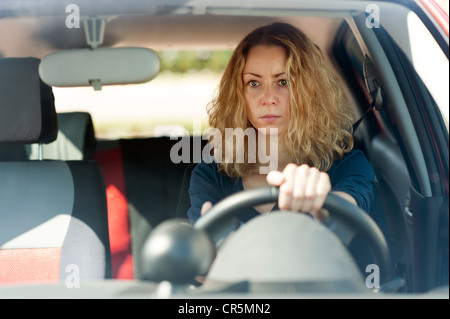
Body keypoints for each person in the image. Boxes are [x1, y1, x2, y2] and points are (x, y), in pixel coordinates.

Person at [187, 22, 375, 224]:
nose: (268, 98)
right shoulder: (212, 174)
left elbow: (349, 205)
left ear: (309, 92)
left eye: (283, 82)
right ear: (238, 94)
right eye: (254, 83)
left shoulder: (347, 164)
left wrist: (322, 207)